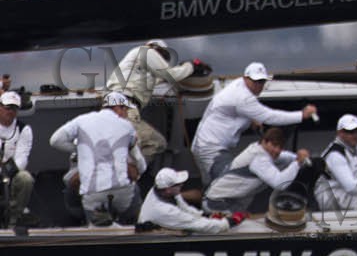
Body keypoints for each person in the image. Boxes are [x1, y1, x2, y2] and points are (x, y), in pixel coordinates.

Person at [191, 62, 315, 184]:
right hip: (210, 149)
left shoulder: (239, 85)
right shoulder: (244, 98)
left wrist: (251, 119)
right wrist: (301, 115)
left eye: (262, 81)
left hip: (205, 144)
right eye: (255, 81)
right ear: (246, 78)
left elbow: (239, 110)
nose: (258, 86)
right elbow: (270, 117)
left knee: (210, 186)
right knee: (226, 183)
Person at [50, 92, 146, 225]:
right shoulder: (127, 127)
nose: (126, 114)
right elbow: (142, 167)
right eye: (126, 110)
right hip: (122, 194)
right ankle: (132, 223)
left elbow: (55, 141)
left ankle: (85, 220)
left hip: (93, 194)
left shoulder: (82, 121)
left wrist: (82, 149)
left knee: (78, 194)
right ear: (119, 108)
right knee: (134, 194)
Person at [110, 41, 211, 160]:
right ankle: (127, 172)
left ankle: (124, 168)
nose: (162, 61)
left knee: (129, 145)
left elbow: (159, 81)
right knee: (156, 142)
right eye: (163, 57)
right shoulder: (147, 52)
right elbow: (171, 75)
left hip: (118, 106)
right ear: (158, 49)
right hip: (123, 107)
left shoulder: (139, 70)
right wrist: (191, 66)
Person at [203, 126, 319, 213]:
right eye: (274, 145)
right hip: (218, 204)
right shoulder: (259, 159)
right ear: (264, 141)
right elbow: (280, 184)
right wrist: (297, 162)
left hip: (231, 202)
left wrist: (298, 157)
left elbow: (283, 156)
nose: (277, 150)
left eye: (280, 146)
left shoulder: (260, 149)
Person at [140, 168, 238, 234]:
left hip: (162, 225)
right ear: (168, 189)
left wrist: (203, 215)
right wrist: (228, 222)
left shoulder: (158, 189)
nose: (182, 185)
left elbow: (184, 208)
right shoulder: (166, 211)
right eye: (178, 184)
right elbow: (201, 226)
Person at [0, 91, 33, 229]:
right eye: (7, 108)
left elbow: (22, 158)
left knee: (26, 178)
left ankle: (14, 217)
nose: (11, 112)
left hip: (10, 172)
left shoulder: (24, 129)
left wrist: (5, 173)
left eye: (14, 108)